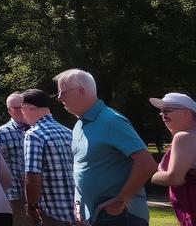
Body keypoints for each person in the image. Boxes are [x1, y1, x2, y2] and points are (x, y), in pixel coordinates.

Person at [54, 68, 157, 225]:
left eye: (62, 93)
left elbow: (147, 163)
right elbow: (82, 167)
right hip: (97, 216)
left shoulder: (111, 121)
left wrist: (121, 200)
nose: (59, 98)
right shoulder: (79, 125)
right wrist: (79, 204)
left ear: (80, 91)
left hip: (121, 216)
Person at [19, 89, 76, 226]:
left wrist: (31, 206)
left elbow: (33, 176)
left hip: (53, 213)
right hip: (77, 211)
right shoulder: (68, 132)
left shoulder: (34, 135)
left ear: (26, 107)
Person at [150, 92, 196, 226]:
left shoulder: (184, 137)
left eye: (168, 110)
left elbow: (175, 178)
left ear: (187, 113)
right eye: (162, 111)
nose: (163, 114)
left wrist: (152, 175)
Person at [0, 92, 30, 226]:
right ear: (9, 111)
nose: (21, 110)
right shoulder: (1, 134)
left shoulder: (37, 128)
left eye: (23, 106)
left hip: (41, 193)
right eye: (16, 108)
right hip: (15, 195)